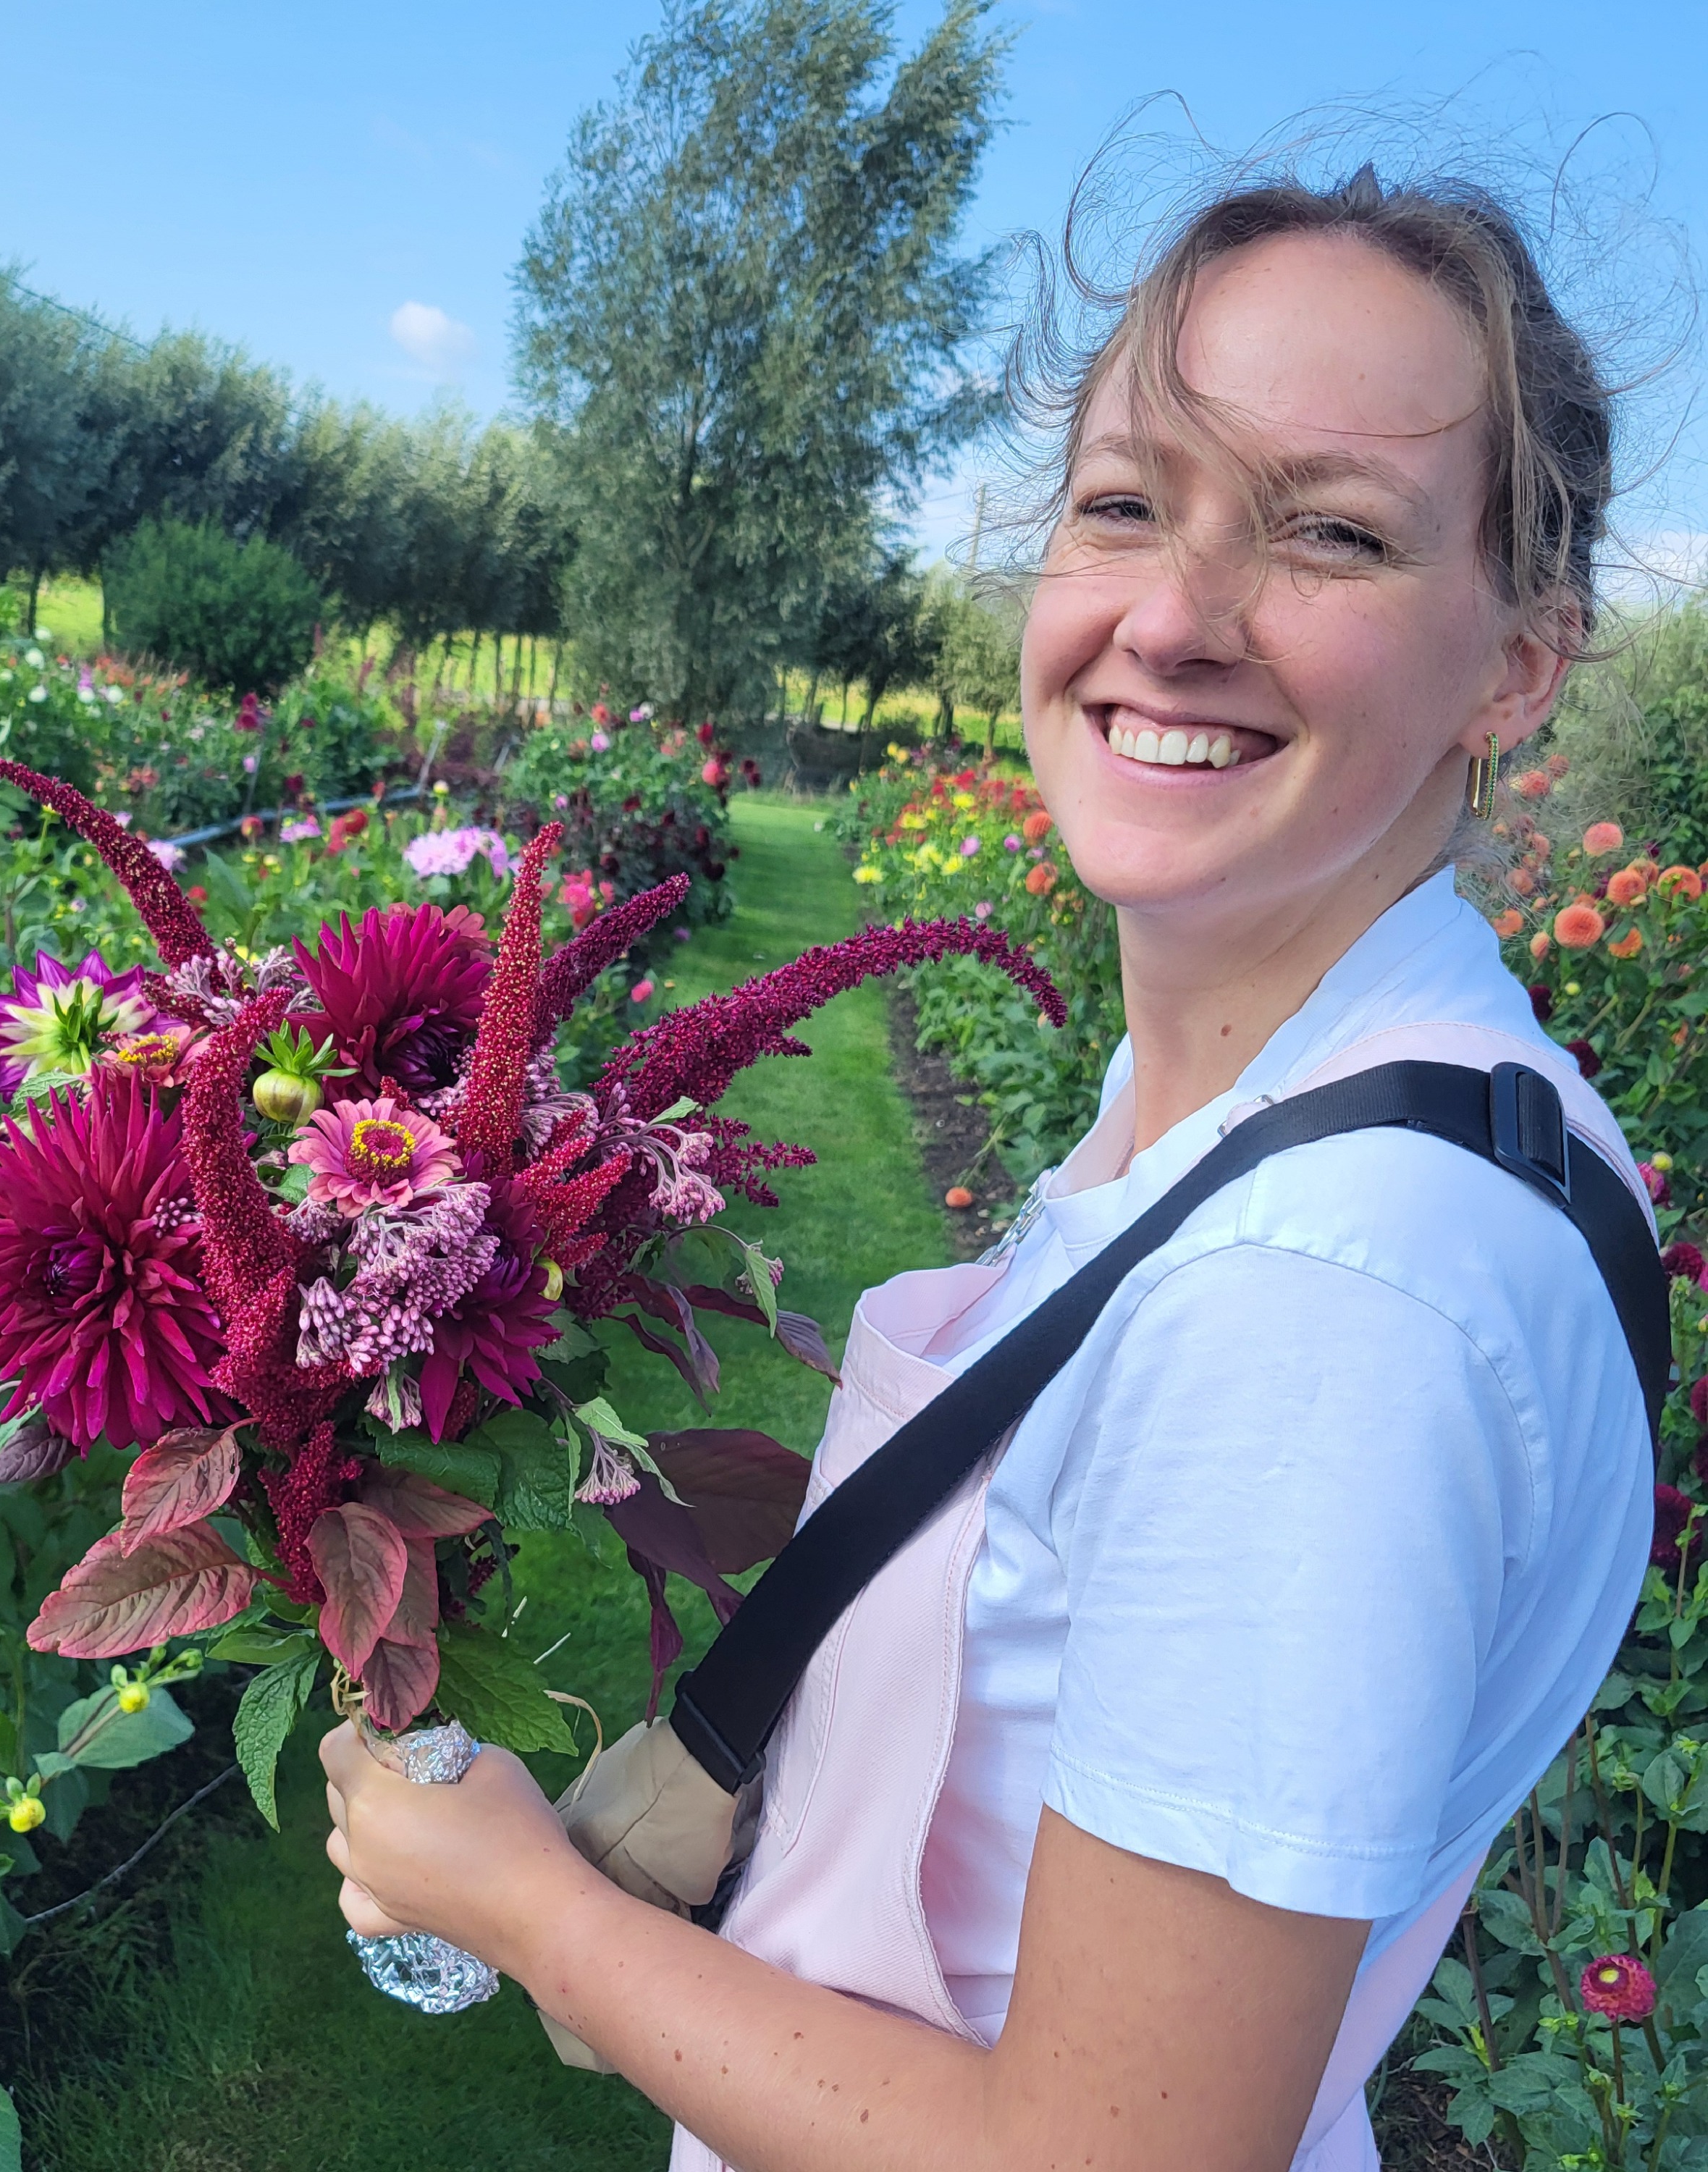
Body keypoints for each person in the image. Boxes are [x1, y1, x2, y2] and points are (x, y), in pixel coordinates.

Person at [320, 159, 1654, 2172]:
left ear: (1518, 662)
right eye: (1127, 504)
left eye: (1335, 536)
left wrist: (536, 1918)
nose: (1177, 618)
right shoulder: (1365, 1099)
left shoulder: (1332, 1288)